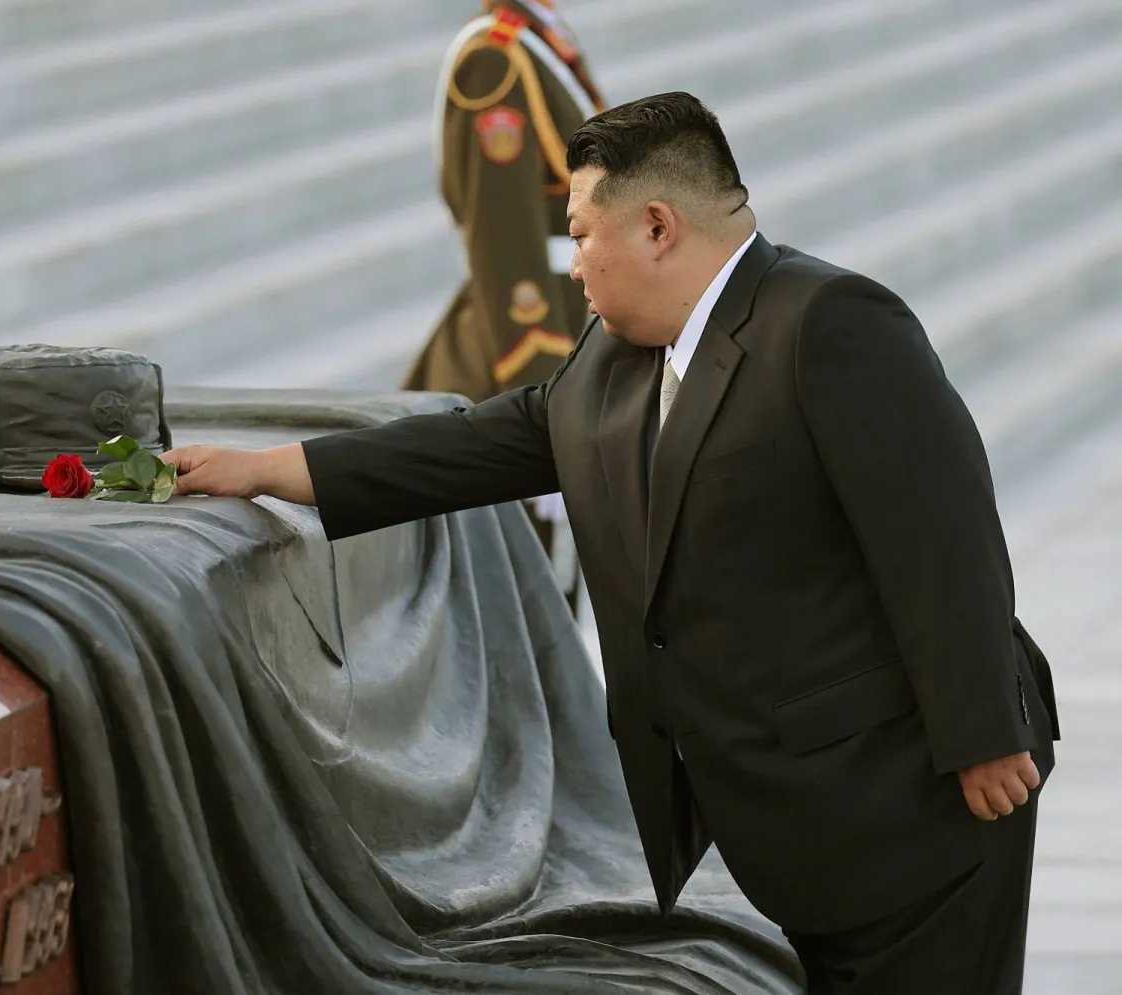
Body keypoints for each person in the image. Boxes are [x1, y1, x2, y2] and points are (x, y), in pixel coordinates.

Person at [161, 91, 1060, 994]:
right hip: (799, 823)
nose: (575, 264)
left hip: (918, 800)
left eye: (583, 235)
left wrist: (982, 732)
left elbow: (942, 533)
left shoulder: (828, 323)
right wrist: (271, 467)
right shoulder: (613, 356)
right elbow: (480, 444)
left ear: (658, 226)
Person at [404, 0, 607, 614]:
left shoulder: (539, 35)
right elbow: (504, 245)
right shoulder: (493, 60)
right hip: (526, 345)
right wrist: (544, 394)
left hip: (575, 319)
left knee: (553, 585)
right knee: (516, 594)